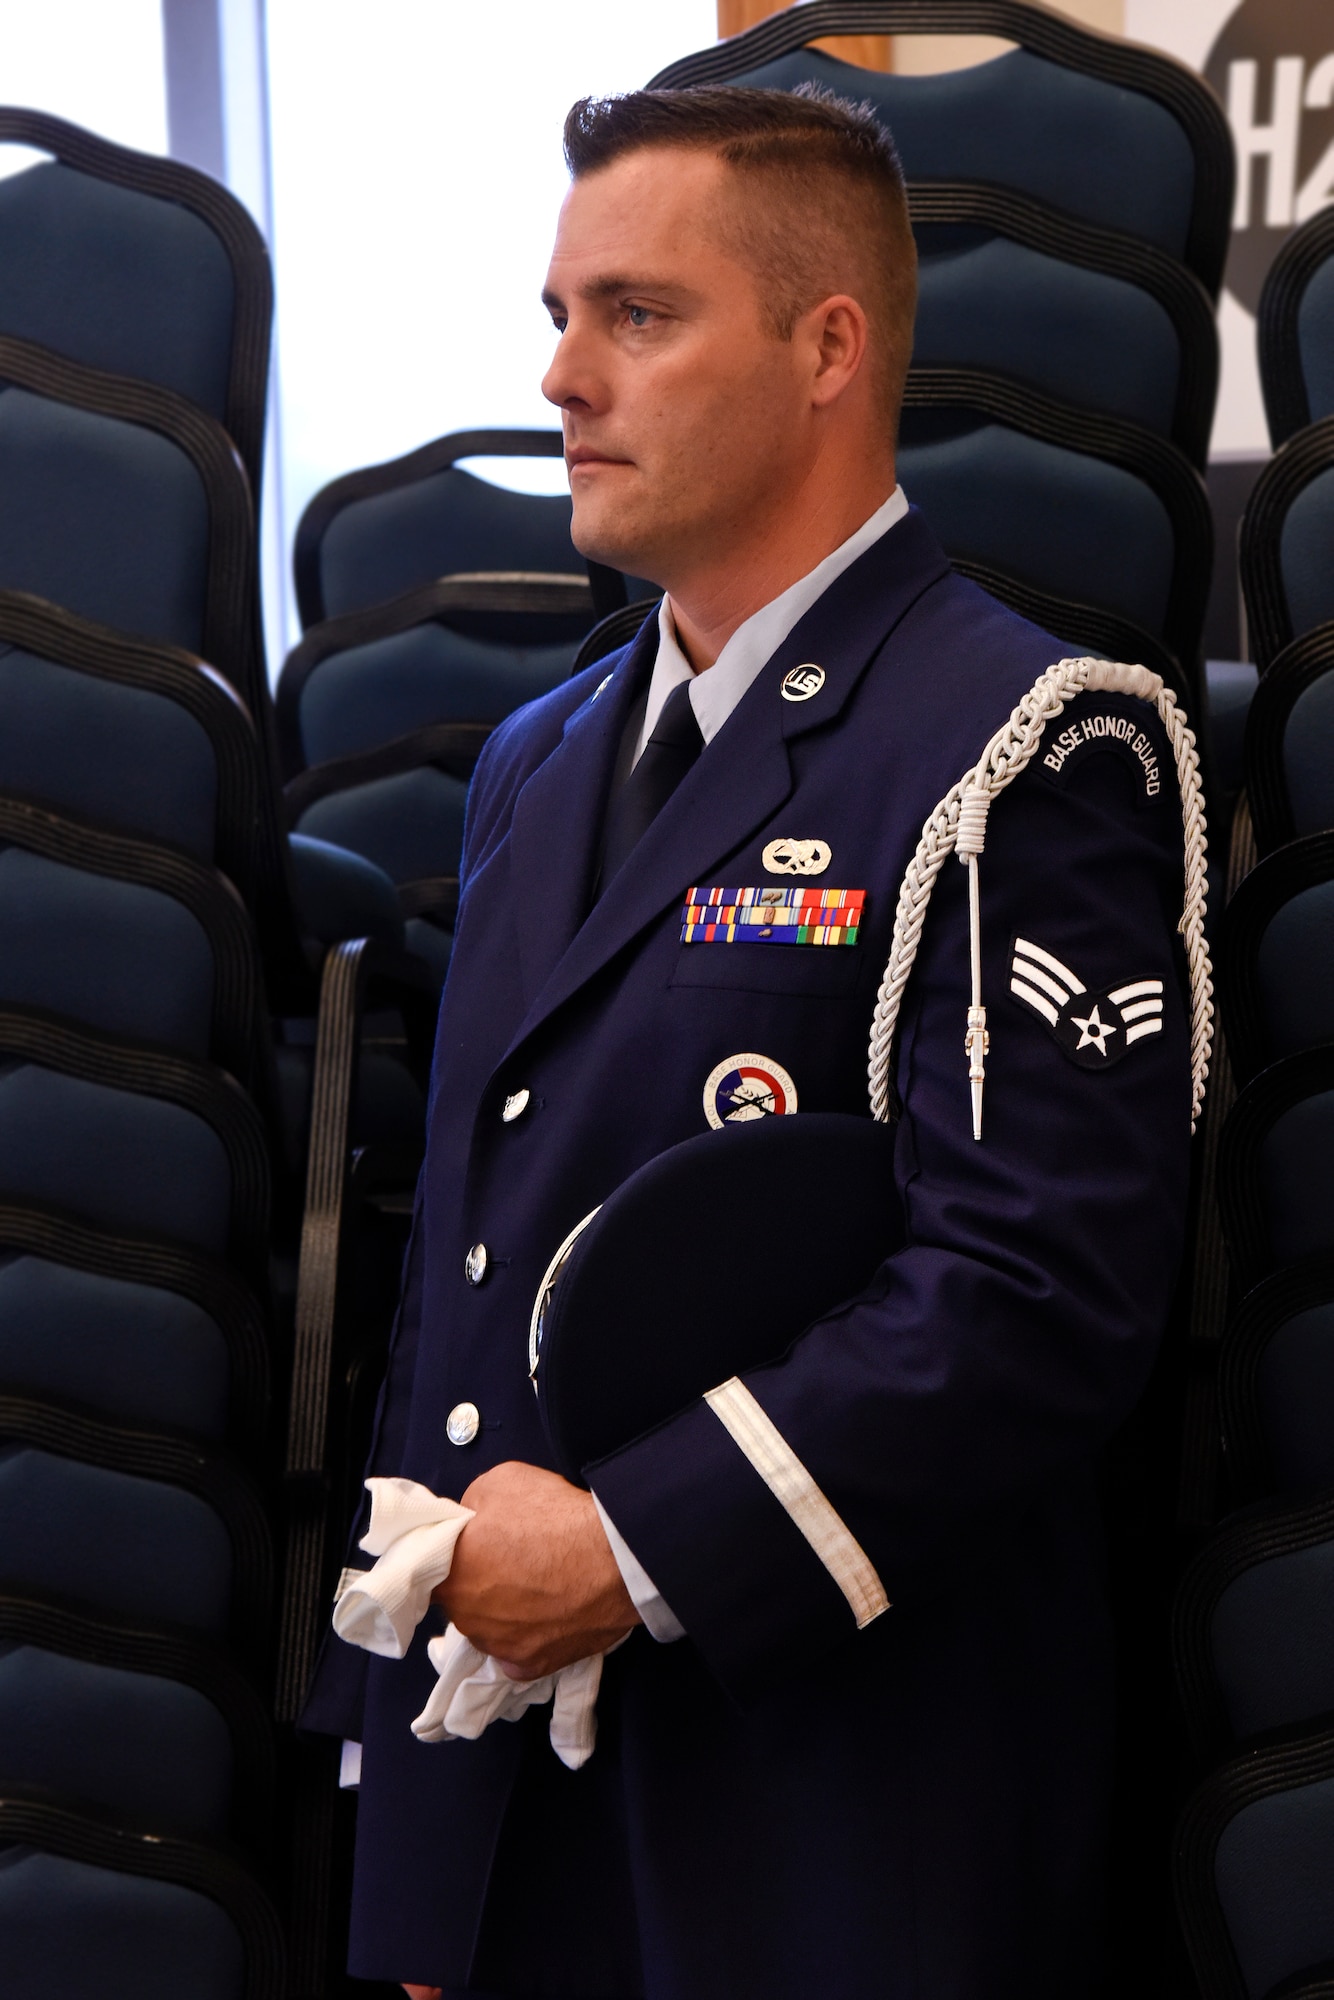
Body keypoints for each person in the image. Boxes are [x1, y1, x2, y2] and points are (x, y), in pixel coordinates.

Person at [304, 84, 1195, 1999]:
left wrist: (625, 1549)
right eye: (556, 314)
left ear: (824, 348)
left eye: (633, 315)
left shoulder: (1027, 743)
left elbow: (1036, 1294)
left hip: (824, 1828)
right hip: (515, 1792)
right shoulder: (535, 767)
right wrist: (413, 1827)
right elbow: (467, 1285)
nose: (558, 376)